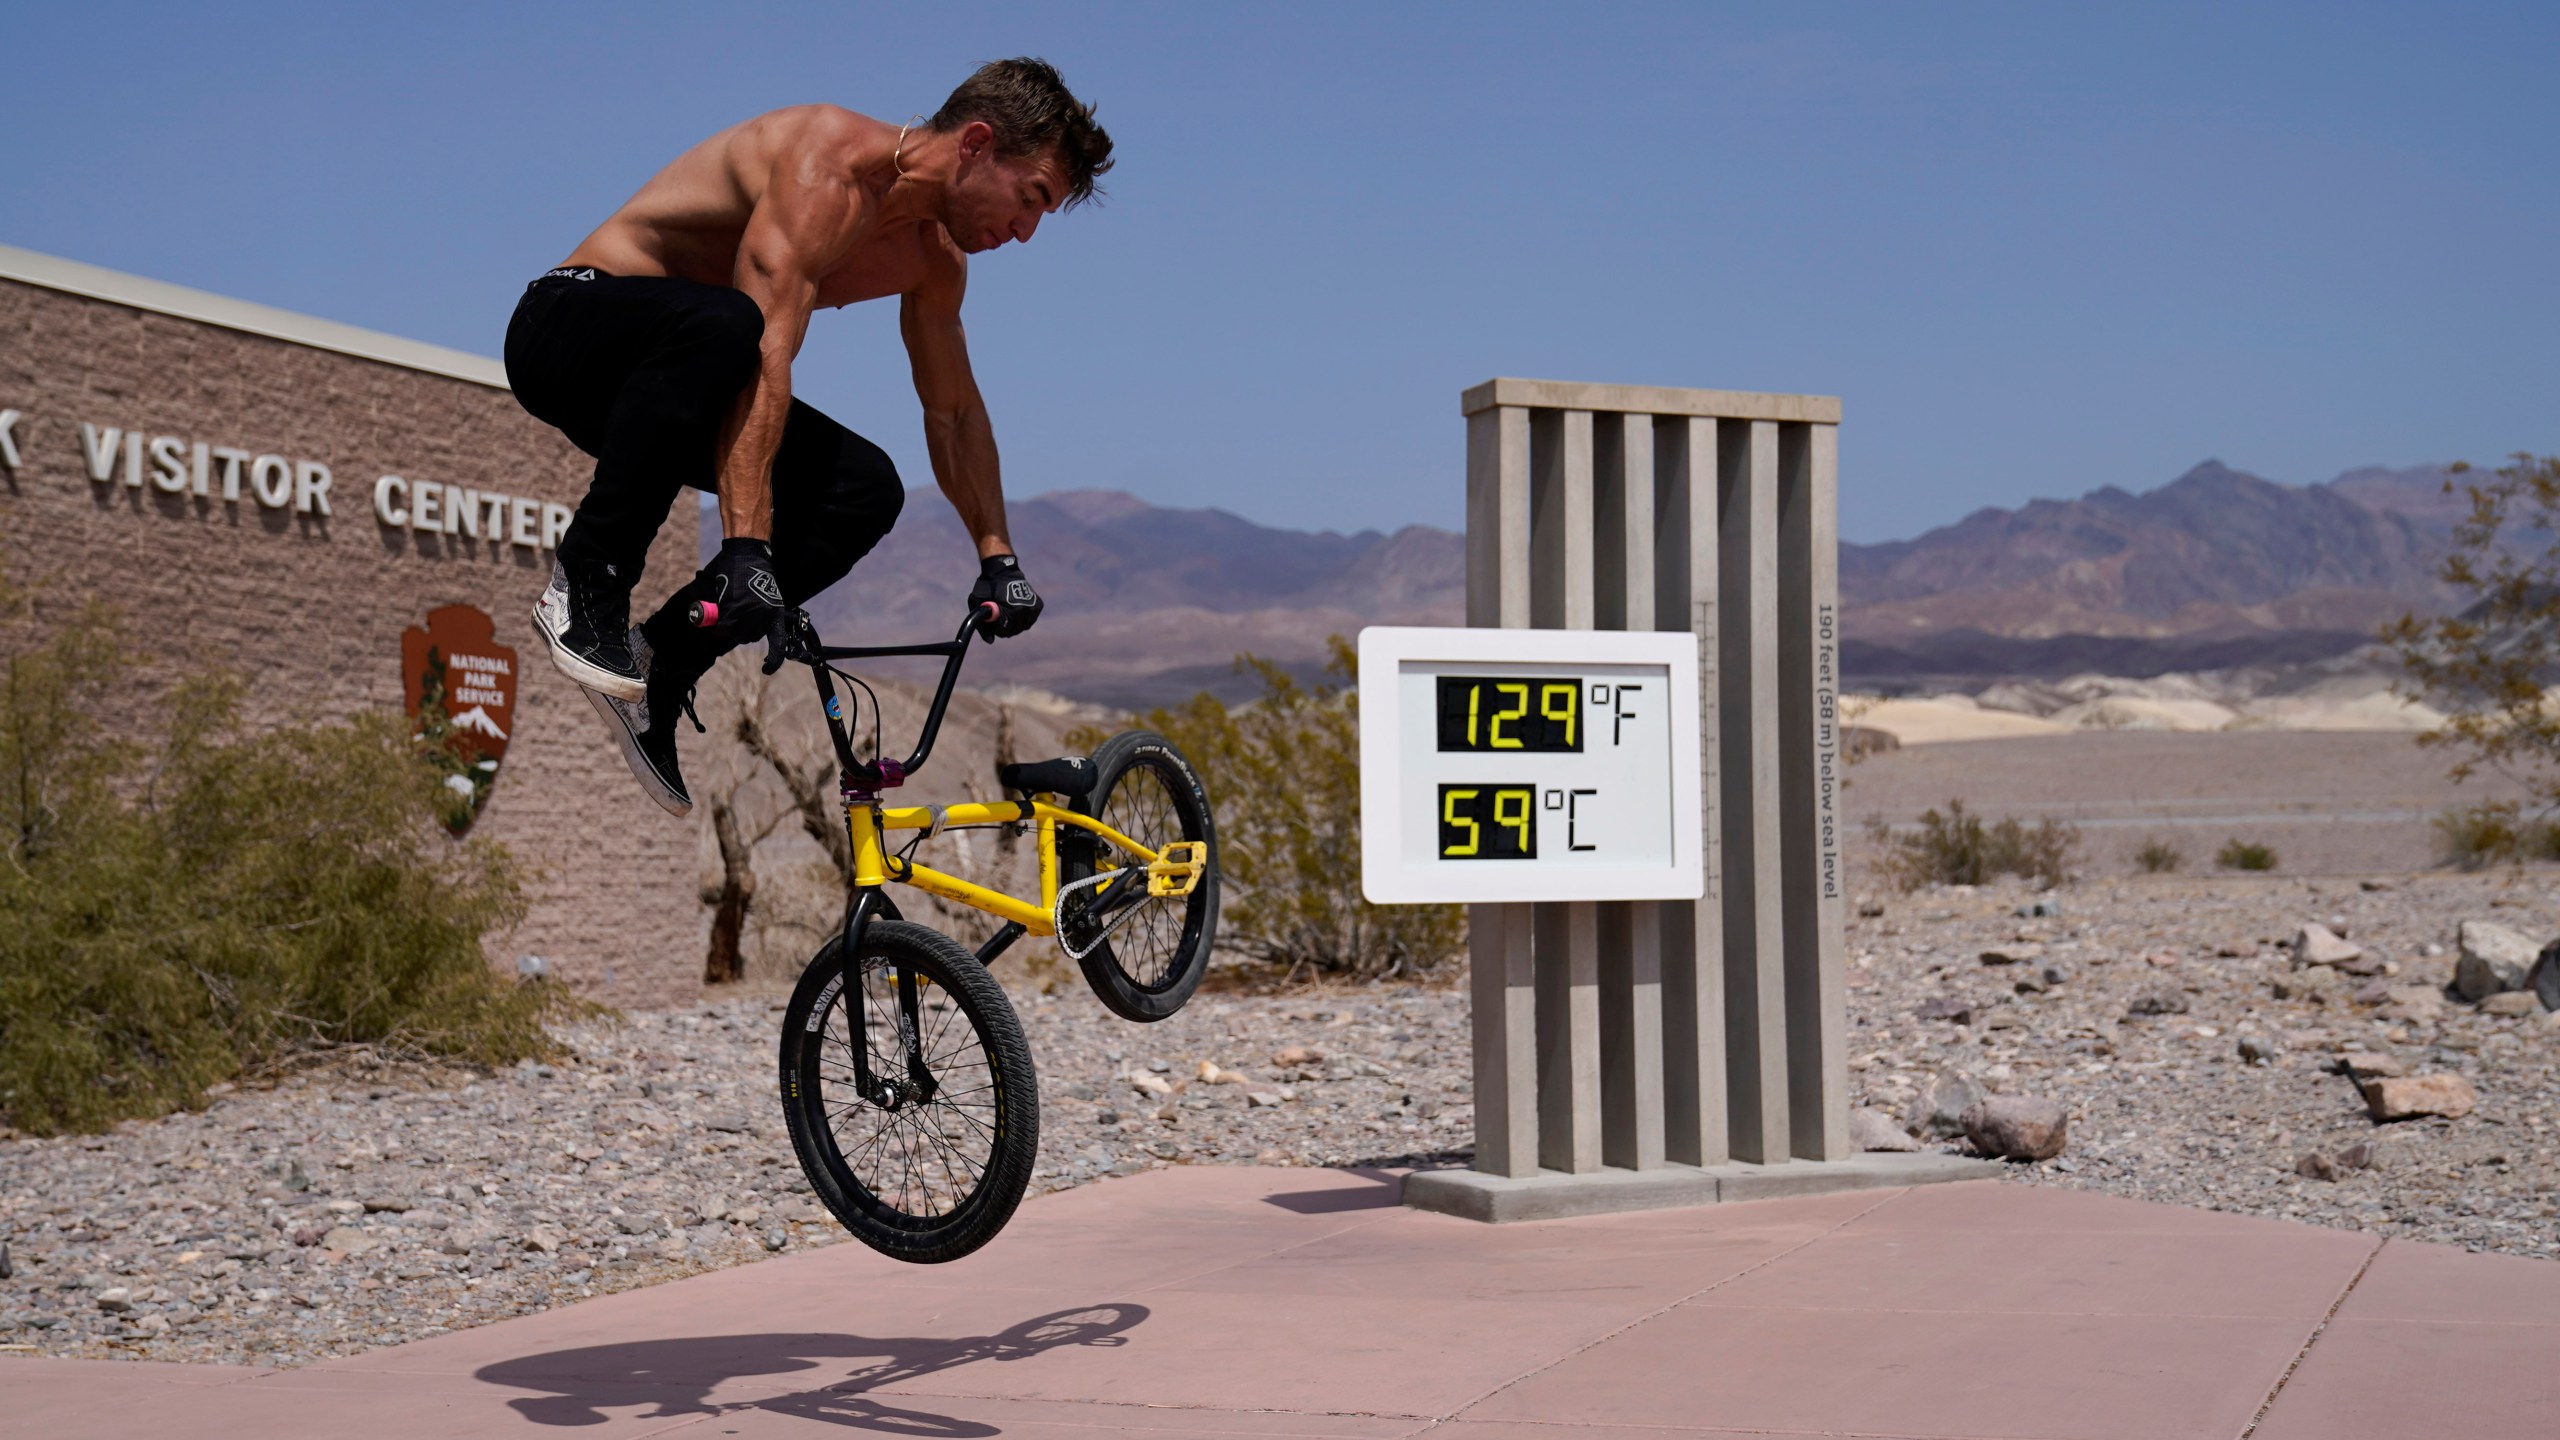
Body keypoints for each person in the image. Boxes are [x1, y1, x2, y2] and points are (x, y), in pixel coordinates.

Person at [506, 57, 1112, 816]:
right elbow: (764, 357)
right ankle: (585, 585)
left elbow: (953, 410)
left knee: (863, 488)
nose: (1024, 233)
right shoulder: (825, 165)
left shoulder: (934, 261)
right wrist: (745, 547)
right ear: (977, 144)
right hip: (569, 333)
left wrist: (999, 556)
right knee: (732, 325)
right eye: (1030, 199)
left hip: (672, 393)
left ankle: (660, 663)